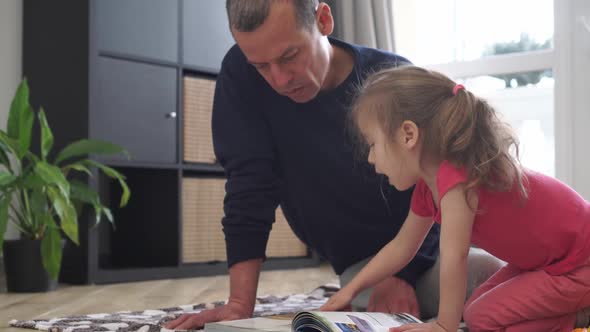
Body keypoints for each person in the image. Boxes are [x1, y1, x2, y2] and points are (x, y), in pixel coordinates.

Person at [166, 1, 503, 330]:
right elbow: (248, 186)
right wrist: (240, 305)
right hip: (362, 262)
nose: (279, 80)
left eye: (289, 56)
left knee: (492, 277)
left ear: (324, 20)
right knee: (381, 303)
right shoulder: (241, 74)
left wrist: (403, 273)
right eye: (262, 66)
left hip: (433, 241)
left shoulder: (394, 81)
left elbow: (437, 186)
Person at [319, 65, 590, 332]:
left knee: (482, 318)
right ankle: (573, 314)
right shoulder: (429, 187)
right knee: (475, 310)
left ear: (408, 135)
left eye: (372, 144)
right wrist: (350, 291)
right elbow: (402, 247)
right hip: (552, 263)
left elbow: (455, 257)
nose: (370, 158)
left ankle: (578, 316)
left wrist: (443, 326)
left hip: (579, 263)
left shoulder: (457, 179)